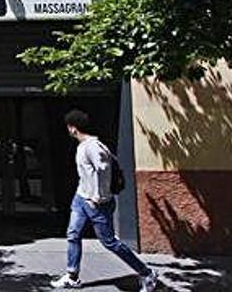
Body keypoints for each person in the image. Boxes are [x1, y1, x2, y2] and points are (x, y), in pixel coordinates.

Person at [50, 109, 158, 291]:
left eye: (69, 127)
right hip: (81, 198)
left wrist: (97, 198)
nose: (68, 130)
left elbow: (104, 172)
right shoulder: (83, 146)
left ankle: (147, 273)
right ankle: (72, 276)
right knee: (73, 234)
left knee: (109, 242)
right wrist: (82, 194)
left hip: (97, 202)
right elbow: (87, 174)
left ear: (73, 128)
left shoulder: (93, 147)